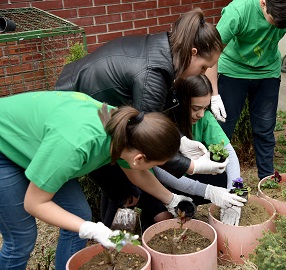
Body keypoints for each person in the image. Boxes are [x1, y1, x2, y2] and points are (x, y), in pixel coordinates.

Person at [55, 8, 228, 224]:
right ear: (193, 52)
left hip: (94, 106)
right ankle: (109, 236)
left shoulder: (166, 51)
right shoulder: (153, 74)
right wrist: (193, 167)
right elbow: (147, 140)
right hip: (78, 110)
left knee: (127, 184)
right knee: (121, 186)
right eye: (204, 67)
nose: (203, 73)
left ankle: (115, 232)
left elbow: (153, 118)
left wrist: (180, 142)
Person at [0, 91, 191, 269]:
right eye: (154, 165)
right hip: (4, 146)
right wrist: (91, 230)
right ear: (140, 158)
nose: (151, 169)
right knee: (21, 238)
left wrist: (172, 200)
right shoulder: (76, 146)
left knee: (78, 216)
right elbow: (34, 203)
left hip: (40, 145)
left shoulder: (126, 132)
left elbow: (138, 173)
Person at [205, 0, 286, 180]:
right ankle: (214, 178)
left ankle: (266, 180)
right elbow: (211, 54)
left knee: (265, 129)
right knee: (223, 128)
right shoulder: (238, 11)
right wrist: (214, 94)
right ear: (263, 3)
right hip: (233, 71)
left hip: (268, 72)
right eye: (274, 21)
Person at [152, 75, 247, 226]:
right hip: (163, 185)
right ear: (181, 102)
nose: (201, 114)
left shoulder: (204, 118)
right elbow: (159, 172)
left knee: (223, 178)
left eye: (205, 108)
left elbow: (230, 155)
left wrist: (234, 191)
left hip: (190, 179)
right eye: (196, 108)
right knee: (163, 219)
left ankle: (190, 205)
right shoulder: (161, 122)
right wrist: (207, 191)